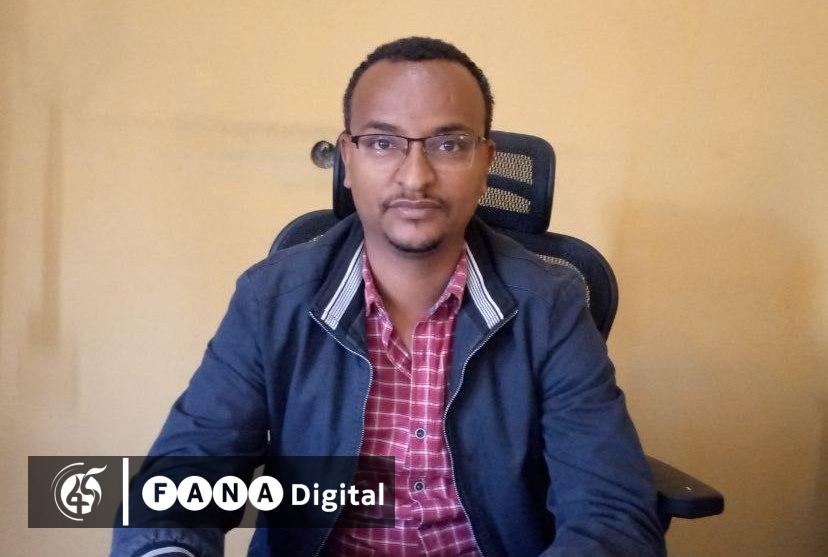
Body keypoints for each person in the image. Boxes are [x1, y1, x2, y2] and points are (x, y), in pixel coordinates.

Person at [112, 37, 665, 556]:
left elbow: (610, 508)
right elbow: (183, 474)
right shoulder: (270, 299)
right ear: (348, 161)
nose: (415, 178)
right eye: (382, 142)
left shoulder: (552, 304)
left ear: (485, 164)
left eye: (449, 144)